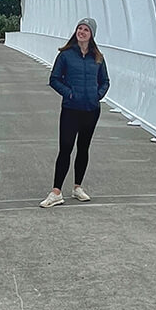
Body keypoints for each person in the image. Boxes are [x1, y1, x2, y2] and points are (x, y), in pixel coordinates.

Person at [40, 18, 110, 207]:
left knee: (83, 148)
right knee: (66, 148)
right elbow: (54, 79)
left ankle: (77, 187)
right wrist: (69, 93)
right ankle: (56, 192)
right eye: (79, 28)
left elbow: (105, 81)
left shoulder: (98, 57)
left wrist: (97, 95)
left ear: (91, 34)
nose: (82, 32)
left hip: (91, 109)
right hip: (71, 109)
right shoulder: (66, 55)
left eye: (86, 29)